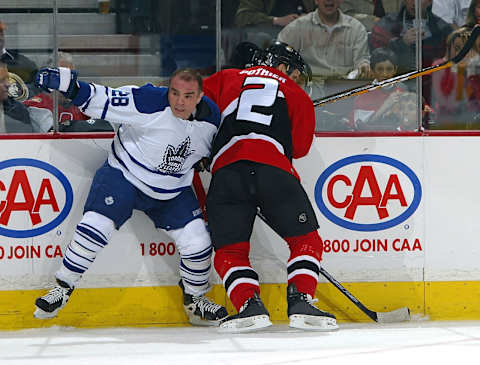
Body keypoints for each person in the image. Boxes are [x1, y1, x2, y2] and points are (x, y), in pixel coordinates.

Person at [32, 66, 228, 326]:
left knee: (198, 243)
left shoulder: (212, 118)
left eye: (188, 96)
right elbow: (104, 98)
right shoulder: (148, 100)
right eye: (174, 93)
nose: (180, 102)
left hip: (172, 189)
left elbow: (215, 149)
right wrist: (69, 85)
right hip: (125, 176)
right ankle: (63, 288)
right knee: (95, 226)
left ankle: (195, 301)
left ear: (200, 96)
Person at [201, 41, 338, 333]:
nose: (297, 79)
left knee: (230, 251)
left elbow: (193, 104)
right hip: (273, 170)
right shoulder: (296, 94)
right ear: (282, 67)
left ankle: (249, 306)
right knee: (306, 241)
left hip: (227, 173)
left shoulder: (227, 78)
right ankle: (301, 300)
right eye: (295, 73)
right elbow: (299, 149)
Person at [369, 0, 453, 104]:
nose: (414, 3)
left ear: (429, 1)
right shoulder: (386, 25)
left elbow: (451, 63)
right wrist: (401, 43)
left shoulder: (442, 28)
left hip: (432, 92)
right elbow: (376, 57)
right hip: (392, 93)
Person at [23, 52, 91, 133]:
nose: (71, 82)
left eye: (73, 77)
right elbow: (51, 133)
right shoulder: (36, 105)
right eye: (65, 77)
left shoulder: (83, 103)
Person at [351, 47, 408, 129]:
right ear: (372, 70)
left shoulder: (403, 89)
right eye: (380, 69)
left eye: (389, 69)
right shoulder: (363, 93)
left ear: (395, 69)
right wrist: (386, 105)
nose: (385, 74)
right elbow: (360, 126)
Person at [430, 27, 475, 127]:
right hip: (446, 121)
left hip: (472, 121)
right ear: (449, 48)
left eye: (464, 49)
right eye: (457, 48)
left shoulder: (474, 68)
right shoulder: (439, 66)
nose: (460, 53)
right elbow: (440, 98)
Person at [234, 0, 317, 48]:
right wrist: (276, 20)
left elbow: (325, 12)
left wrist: (309, 17)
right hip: (272, 38)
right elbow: (242, 17)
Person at [0, 20, 39, 101]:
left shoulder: (21, 62)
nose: (0, 37)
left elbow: (38, 84)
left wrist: (23, 92)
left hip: (15, 111)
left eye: (1, 33)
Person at [0, 62, 32, 133]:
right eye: (1, 80)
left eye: (7, 79)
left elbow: (26, 141)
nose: (8, 84)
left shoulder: (18, 109)